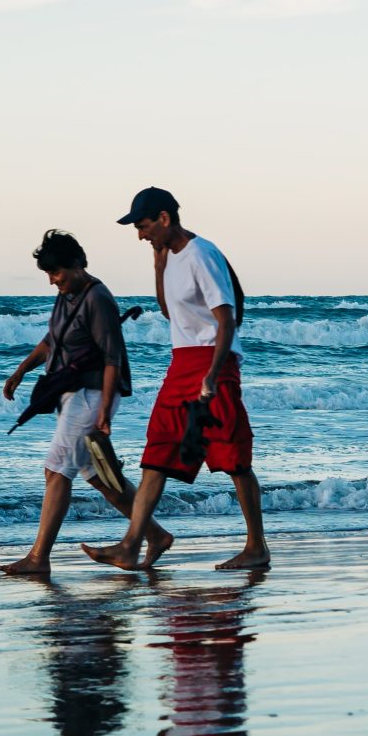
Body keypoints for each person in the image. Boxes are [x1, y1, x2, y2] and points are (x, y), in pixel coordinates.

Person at [84, 188, 270, 572]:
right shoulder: (169, 257)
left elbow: (226, 319)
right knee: (158, 452)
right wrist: (157, 266)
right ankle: (132, 544)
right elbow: (172, 314)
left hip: (211, 361)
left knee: (232, 457)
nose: (140, 234)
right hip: (181, 362)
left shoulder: (203, 255)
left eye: (144, 225)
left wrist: (214, 375)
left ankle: (257, 546)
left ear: (165, 218)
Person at [0, 230, 171, 577]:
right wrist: (20, 371)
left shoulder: (97, 298)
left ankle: (38, 557)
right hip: (71, 395)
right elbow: (53, 340)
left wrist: (105, 411)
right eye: (48, 274)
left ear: (76, 264)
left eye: (56, 272)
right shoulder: (67, 295)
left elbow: (112, 359)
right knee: (101, 478)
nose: (52, 280)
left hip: (92, 395)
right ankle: (155, 534)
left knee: (56, 469)